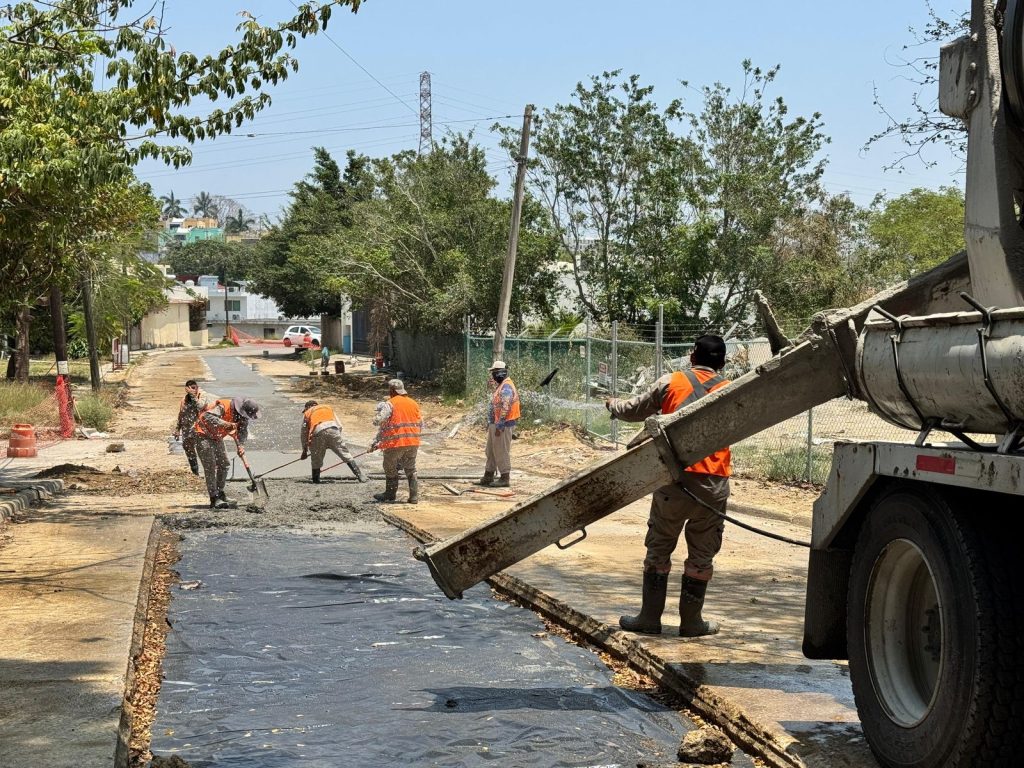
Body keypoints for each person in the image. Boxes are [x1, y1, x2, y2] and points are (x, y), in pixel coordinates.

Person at [605, 335, 731, 638]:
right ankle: (692, 623)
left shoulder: (670, 381)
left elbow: (634, 409)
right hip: (713, 482)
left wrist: (612, 404)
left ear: (691, 357)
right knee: (702, 553)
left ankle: (649, 619)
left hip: (673, 480)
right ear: (723, 362)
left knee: (659, 546)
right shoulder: (731, 389)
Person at [193, 396, 262, 509]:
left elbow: (243, 431)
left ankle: (220, 493)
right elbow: (207, 416)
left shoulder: (242, 417)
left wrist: (241, 445)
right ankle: (214, 498)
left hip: (217, 436)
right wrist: (225, 424)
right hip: (202, 435)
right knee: (210, 467)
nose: (245, 418)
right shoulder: (224, 406)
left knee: (224, 464)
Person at [370, 379, 422, 504]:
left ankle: (390, 494)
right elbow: (421, 424)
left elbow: (379, 420)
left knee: (389, 467)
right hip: (413, 441)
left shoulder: (390, 403)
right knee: (410, 468)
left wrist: (375, 419)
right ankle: (414, 497)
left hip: (395, 443)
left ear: (391, 390)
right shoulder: (414, 403)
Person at [301, 399, 366, 483]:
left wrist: (305, 450)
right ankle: (360, 476)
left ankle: (316, 480)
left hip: (318, 432)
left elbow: (304, 433)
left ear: (308, 407)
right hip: (333, 429)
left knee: (316, 458)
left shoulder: (308, 412)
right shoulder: (327, 408)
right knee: (345, 454)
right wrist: (334, 441)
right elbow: (339, 425)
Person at [479, 360, 520, 488]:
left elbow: (506, 407)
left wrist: (499, 425)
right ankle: (488, 475)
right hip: (495, 423)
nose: (492, 375)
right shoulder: (501, 385)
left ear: (501, 373)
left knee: (501, 451)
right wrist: (491, 422)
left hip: (503, 424)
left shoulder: (506, 386)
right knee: (490, 451)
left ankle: (504, 477)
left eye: (494, 373)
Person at [173, 379, 206, 475]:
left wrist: (193, 395)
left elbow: (200, 407)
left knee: (203, 452)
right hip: (187, 432)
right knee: (190, 453)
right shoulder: (184, 400)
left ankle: (209, 474)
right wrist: (177, 429)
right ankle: (195, 472)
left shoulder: (201, 397)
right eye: (190, 388)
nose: (193, 390)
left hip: (200, 431)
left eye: (194, 388)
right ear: (186, 389)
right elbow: (181, 415)